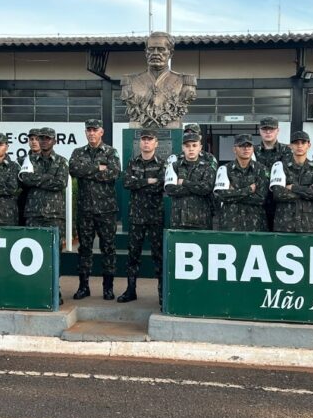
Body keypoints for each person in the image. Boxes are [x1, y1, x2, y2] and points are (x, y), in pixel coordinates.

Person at [69, 119, 121, 300]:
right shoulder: (78, 152)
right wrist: (98, 168)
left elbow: (114, 173)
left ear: (102, 132)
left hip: (106, 210)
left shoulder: (111, 152)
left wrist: (89, 171)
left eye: (94, 130)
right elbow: (74, 169)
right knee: (85, 249)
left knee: (109, 249)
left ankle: (108, 287)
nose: (91, 133)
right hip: (85, 210)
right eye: (88, 130)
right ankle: (84, 287)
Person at [117, 129, 165, 304]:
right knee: (133, 255)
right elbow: (127, 183)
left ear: (156, 143)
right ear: (140, 143)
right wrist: (148, 181)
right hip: (136, 216)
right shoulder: (133, 162)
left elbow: (160, 185)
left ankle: (162, 293)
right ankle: (131, 290)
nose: (146, 142)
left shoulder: (162, 164)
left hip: (155, 216)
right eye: (144, 139)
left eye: (150, 139)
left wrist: (140, 183)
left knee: (158, 256)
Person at [120, 31, 197, 128]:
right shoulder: (130, 81)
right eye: (151, 49)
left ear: (171, 53)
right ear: (146, 53)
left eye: (161, 49)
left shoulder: (185, 82)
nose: (155, 53)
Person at [19, 127, 69, 243]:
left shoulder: (62, 161)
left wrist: (36, 178)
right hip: (33, 213)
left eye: (48, 138)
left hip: (54, 214)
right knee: (31, 247)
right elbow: (26, 179)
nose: (44, 141)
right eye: (41, 138)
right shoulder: (30, 160)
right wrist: (49, 178)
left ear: (54, 141)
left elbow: (61, 183)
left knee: (55, 250)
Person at [272, 131, 313, 233]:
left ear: (308, 145)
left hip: (310, 224)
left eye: (303, 143)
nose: (299, 146)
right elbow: (278, 193)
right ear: (290, 146)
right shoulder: (281, 167)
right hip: (284, 223)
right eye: (296, 143)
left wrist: (293, 188)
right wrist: (308, 192)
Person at [213, 134, 269, 232]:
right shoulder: (224, 169)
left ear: (253, 149)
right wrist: (249, 190)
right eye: (242, 146)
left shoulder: (262, 169)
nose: (246, 149)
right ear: (234, 149)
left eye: (249, 146)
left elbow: (261, 198)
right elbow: (221, 196)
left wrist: (233, 193)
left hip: (255, 223)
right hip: (230, 223)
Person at [166, 131, 216, 229]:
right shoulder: (174, 166)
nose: (191, 149)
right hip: (179, 219)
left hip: (202, 219)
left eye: (194, 145)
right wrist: (196, 187)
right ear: (183, 148)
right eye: (187, 146)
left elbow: (206, 188)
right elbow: (170, 189)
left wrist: (183, 183)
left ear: (200, 148)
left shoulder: (207, 167)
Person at [254, 117, 291, 230]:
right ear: (260, 131)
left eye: (271, 129)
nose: (268, 132)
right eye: (265, 129)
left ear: (277, 131)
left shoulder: (287, 150)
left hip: (280, 202)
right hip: (258, 202)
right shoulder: (252, 151)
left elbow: (289, 174)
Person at [17, 128, 41, 225]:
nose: (34, 142)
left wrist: (31, 179)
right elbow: (20, 182)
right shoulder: (20, 161)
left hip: (45, 207)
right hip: (25, 204)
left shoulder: (50, 161)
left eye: (37, 139)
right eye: (31, 139)